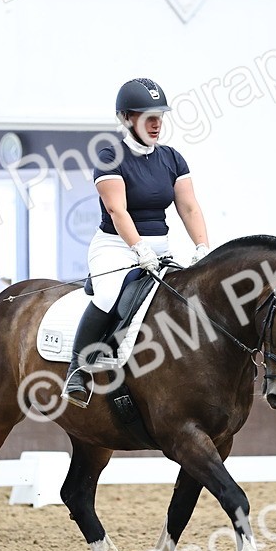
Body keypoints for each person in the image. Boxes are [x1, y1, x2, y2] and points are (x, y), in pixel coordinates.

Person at [61, 78, 211, 408]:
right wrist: (138, 247)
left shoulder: (171, 158)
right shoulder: (110, 156)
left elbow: (188, 206)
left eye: (160, 116)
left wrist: (202, 247)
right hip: (115, 246)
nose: (156, 124)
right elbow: (117, 209)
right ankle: (78, 370)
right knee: (109, 294)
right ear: (127, 118)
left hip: (161, 248)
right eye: (148, 117)